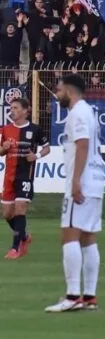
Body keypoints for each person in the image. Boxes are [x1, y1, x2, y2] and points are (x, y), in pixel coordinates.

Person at [45, 74, 105, 313]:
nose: (57, 94)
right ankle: (89, 296)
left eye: (59, 90)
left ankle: (72, 296)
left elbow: (82, 145)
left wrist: (76, 181)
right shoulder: (88, 112)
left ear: (69, 90)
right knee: (88, 237)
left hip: (84, 181)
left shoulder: (77, 113)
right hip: (96, 181)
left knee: (68, 235)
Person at [1, 97, 49, 259]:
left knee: (20, 208)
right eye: (11, 108)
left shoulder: (35, 129)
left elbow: (47, 148)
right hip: (9, 176)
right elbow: (0, 151)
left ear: (25, 111)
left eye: (15, 108)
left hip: (25, 176)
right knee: (7, 214)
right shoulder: (5, 130)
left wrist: (36, 156)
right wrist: (3, 148)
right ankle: (24, 237)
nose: (11, 111)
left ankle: (15, 248)